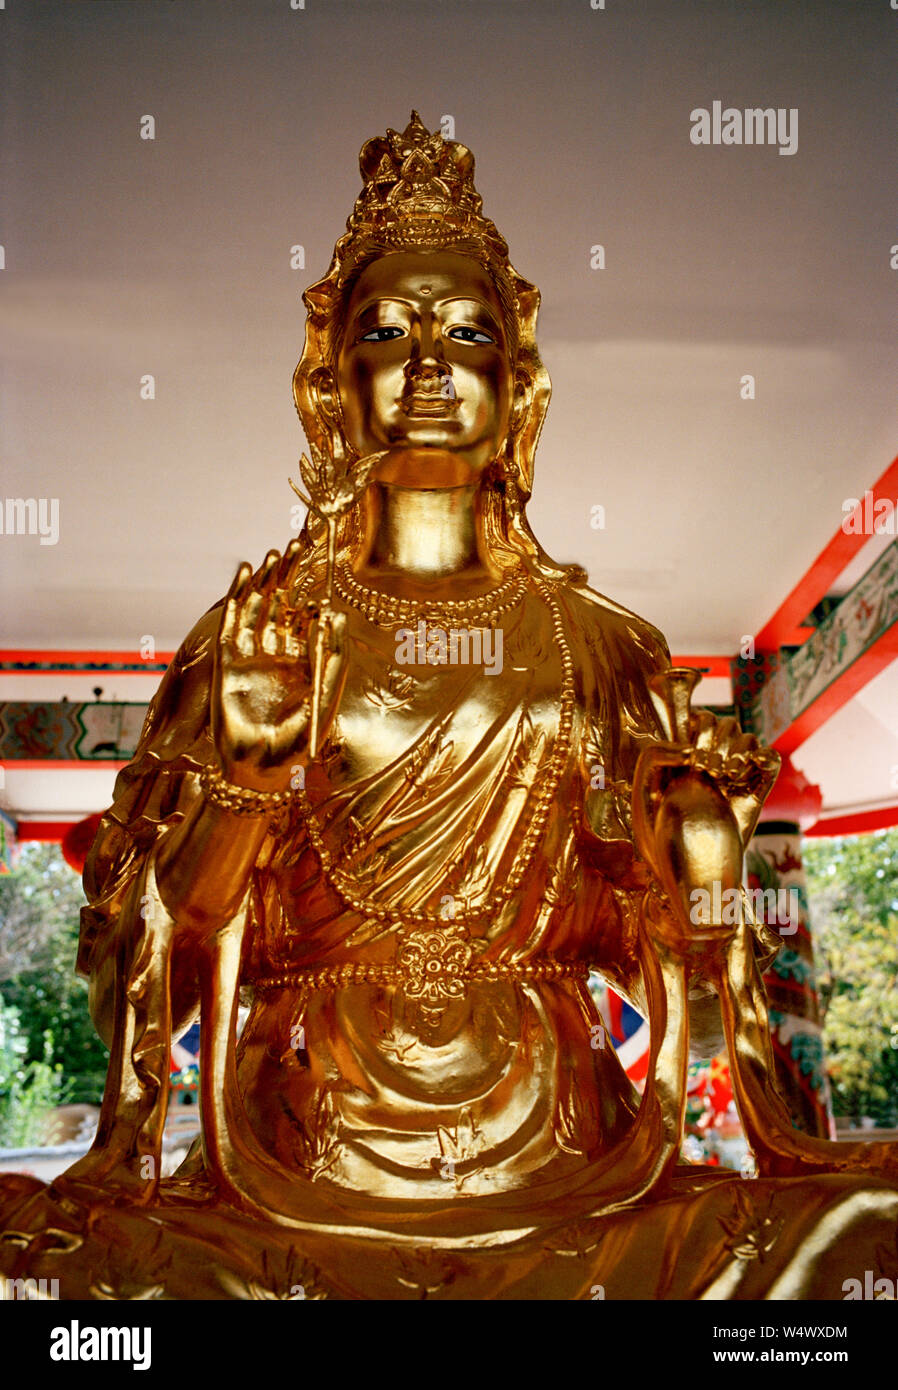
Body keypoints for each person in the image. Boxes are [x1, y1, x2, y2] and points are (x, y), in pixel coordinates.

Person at [1, 114, 895, 1300]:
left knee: (856, 1234)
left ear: (518, 384)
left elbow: (638, 955)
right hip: (296, 1169)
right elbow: (145, 959)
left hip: (581, 1161)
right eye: (385, 330)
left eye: (465, 331)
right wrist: (242, 787)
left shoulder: (603, 645)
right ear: (327, 384)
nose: (427, 365)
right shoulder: (256, 634)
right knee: (53, 1270)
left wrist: (693, 864)